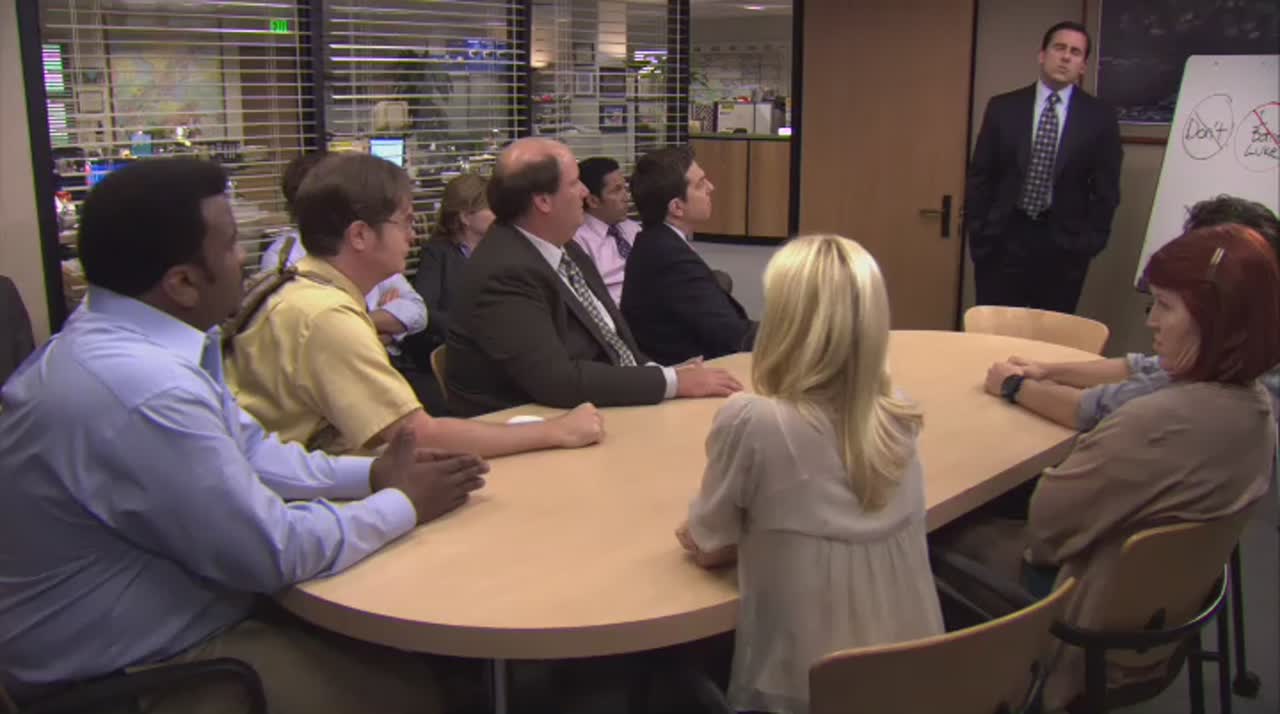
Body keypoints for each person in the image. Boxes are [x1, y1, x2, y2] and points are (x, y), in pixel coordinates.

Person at [0, 157, 490, 714]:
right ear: (182, 282)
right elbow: (273, 549)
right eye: (232, 244)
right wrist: (404, 504)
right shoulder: (143, 389)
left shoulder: (133, 339)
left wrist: (374, 475)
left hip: (184, 612)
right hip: (134, 673)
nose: (246, 261)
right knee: (422, 688)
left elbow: (252, 452)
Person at [970, 224, 1279, 710]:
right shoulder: (1256, 409)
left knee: (941, 540)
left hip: (1086, 622)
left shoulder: (1158, 420)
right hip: (1157, 613)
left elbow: (1047, 527)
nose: (1152, 321)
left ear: (1215, 320)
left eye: (1166, 306)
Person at [677, 234, 944, 714]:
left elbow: (709, 543)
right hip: (914, 684)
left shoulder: (754, 421)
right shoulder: (899, 415)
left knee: (663, 674)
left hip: (797, 694)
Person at [225, 152, 603, 457]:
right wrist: (557, 431)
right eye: (404, 222)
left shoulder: (299, 284)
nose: (413, 235)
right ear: (360, 235)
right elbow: (416, 436)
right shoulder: (325, 316)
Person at [445, 137, 742, 417]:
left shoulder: (567, 249)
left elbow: (614, 343)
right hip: (535, 426)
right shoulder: (504, 272)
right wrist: (671, 382)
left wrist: (665, 373)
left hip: (597, 409)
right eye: (574, 183)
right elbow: (557, 380)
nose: (585, 193)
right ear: (543, 201)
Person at [985, 194, 1280, 431]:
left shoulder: (1224, 385)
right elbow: (1144, 367)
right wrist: (1046, 371)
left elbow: (1094, 409)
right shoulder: (1244, 346)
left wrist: (1014, 386)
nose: (1152, 320)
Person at [965, 20, 1123, 313]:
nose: (1065, 57)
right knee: (995, 331)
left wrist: (1089, 243)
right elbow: (981, 176)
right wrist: (979, 233)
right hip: (1003, 240)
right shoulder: (1003, 107)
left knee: (1052, 334)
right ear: (1042, 55)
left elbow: (1107, 188)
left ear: (1082, 66)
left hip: (1064, 247)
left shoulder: (1099, 117)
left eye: (1075, 52)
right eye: (1059, 48)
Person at [259, 151, 428, 355]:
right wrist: (369, 322)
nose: (412, 236)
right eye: (405, 223)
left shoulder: (369, 258)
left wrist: (362, 324)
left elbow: (417, 311)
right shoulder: (287, 260)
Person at [622, 146, 757, 365]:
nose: (711, 188)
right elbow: (732, 336)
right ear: (677, 207)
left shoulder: (657, 242)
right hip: (691, 371)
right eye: (701, 184)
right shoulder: (668, 257)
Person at [409, 173, 494, 359]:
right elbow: (425, 310)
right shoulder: (437, 253)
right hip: (459, 349)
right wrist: (467, 329)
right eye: (491, 207)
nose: (498, 213)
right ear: (465, 217)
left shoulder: (498, 249)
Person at [572, 156, 641, 306]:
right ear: (593, 201)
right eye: (617, 190)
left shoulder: (632, 229)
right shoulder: (578, 241)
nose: (626, 197)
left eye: (625, 188)